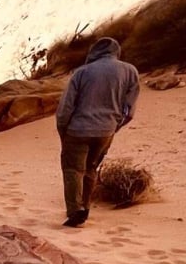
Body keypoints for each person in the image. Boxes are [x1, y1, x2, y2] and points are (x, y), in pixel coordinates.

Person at [56, 37, 140, 227]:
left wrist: (63, 129)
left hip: (77, 130)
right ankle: (85, 207)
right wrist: (114, 126)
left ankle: (75, 211)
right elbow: (129, 109)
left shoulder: (82, 72)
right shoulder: (130, 71)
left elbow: (66, 107)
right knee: (90, 169)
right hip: (106, 130)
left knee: (73, 170)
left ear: (93, 52)